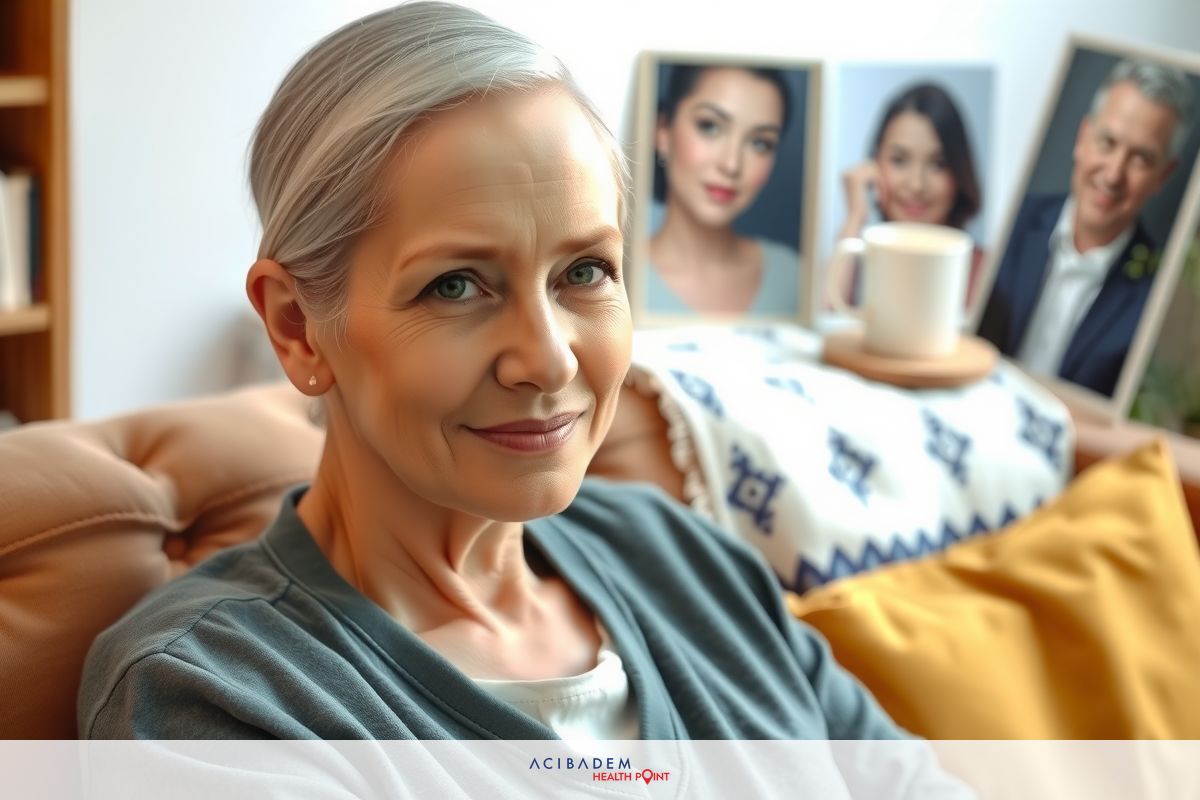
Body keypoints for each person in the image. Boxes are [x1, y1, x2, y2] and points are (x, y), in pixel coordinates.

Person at [77, 2, 909, 748]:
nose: (549, 359)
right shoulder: (215, 701)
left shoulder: (682, 557)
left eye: (586, 271)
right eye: (455, 285)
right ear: (298, 327)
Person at [977, 59, 1195, 398]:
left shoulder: (1164, 300)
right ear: (1083, 138)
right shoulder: (1005, 218)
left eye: (1141, 158)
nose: (1112, 175)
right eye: (1107, 142)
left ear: (1163, 176)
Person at [649, 65, 801, 316]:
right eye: (710, 126)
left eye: (759, 143)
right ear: (663, 131)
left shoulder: (793, 277)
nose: (731, 165)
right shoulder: (617, 275)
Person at [834, 82, 984, 306]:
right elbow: (821, 321)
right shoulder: (854, 262)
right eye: (899, 161)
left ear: (959, 172)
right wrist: (855, 217)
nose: (916, 185)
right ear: (875, 163)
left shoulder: (986, 274)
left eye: (938, 164)